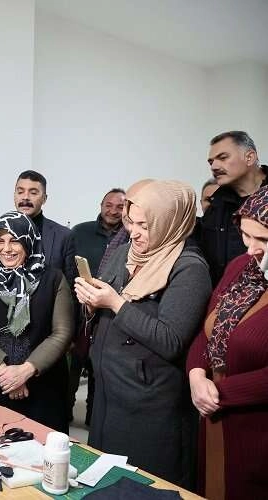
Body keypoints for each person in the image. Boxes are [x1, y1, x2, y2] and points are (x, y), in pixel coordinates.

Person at [74, 180, 211, 488]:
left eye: (144, 226)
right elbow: (104, 306)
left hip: (150, 406)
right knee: (104, 483)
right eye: (130, 222)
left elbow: (170, 340)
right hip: (110, 395)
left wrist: (115, 303)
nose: (133, 233)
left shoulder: (189, 268)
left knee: (145, 486)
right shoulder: (126, 252)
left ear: (169, 223)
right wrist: (91, 303)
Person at [187, 185, 268, 500]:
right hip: (215, 415)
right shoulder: (240, 268)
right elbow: (209, 330)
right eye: (246, 236)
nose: (252, 249)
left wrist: (220, 391)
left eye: (263, 239)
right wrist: (196, 374)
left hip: (255, 430)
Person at [0, 211, 73, 433]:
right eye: (0, 241)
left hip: (42, 387)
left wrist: (25, 371)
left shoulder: (54, 279)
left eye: (14, 241)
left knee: (41, 445)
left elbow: (62, 332)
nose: (6, 248)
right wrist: (5, 373)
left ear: (29, 241)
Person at [67, 188, 126, 423]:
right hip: (79, 310)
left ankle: (94, 418)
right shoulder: (79, 232)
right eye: (108, 205)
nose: (113, 211)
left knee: (99, 369)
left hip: (110, 313)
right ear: (101, 205)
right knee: (72, 365)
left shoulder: (130, 236)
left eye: (119, 207)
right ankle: (65, 411)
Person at [0, 170, 76, 286]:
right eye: (20, 192)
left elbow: (70, 286)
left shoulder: (63, 236)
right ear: (14, 196)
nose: (25, 197)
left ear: (44, 198)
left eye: (33, 193)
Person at [198, 131, 267, 284]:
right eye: (211, 162)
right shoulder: (216, 203)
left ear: (249, 157)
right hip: (222, 294)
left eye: (223, 158)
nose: (214, 166)